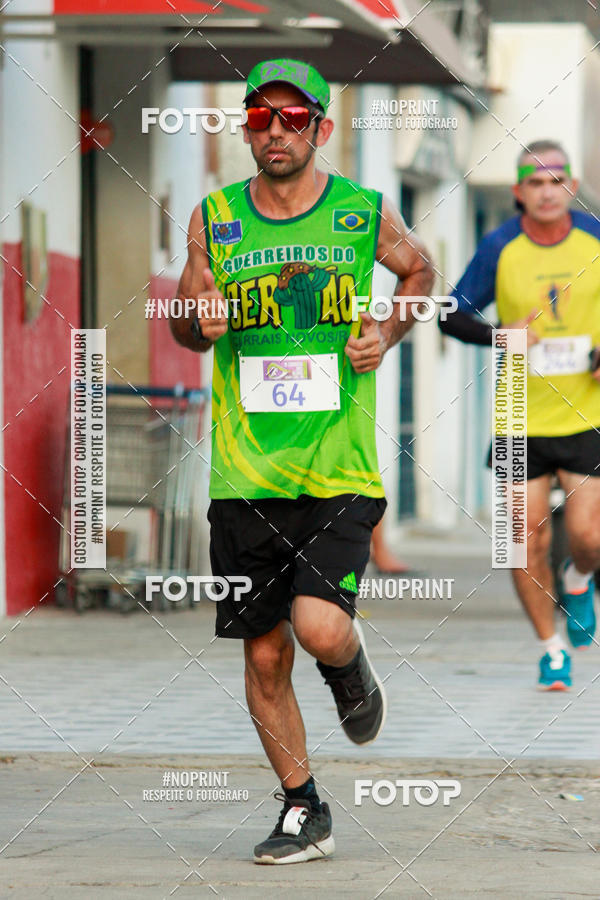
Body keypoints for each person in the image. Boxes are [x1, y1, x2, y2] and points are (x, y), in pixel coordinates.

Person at [170, 58, 434, 863]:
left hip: (338, 466)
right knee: (261, 650)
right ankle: (302, 807)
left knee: (319, 628)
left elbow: (420, 270)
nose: (275, 132)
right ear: (246, 127)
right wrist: (197, 321)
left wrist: (385, 333)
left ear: (320, 127)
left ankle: (349, 666)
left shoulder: (361, 214)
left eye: (293, 119)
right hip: (245, 475)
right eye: (260, 118)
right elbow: (185, 314)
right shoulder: (214, 217)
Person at [440, 140, 600, 691]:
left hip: (587, 412)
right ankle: (551, 647)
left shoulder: (595, 239)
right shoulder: (499, 245)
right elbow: (449, 315)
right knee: (517, 540)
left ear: (571, 187)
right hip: (517, 413)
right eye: (535, 181)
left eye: (557, 179)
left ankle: (578, 580)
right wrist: (501, 335)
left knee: (589, 538)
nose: (547, 190)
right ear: (518, 193)